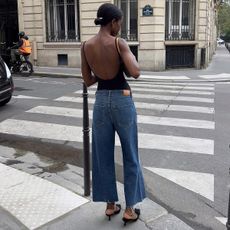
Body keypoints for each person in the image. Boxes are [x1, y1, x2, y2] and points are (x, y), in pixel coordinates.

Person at [81, 3, 146, 226]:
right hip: (122, 98)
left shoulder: (86, 45)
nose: (120, 26)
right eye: (119, 22)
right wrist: (120, 64)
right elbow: (136, 72)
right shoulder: (119, 42)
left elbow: (88, 80)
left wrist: (103, 73)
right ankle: (129, 209)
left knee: (102, 156)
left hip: (100, 102)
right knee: (130, 154)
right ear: (113, 22)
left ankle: (110, 204)